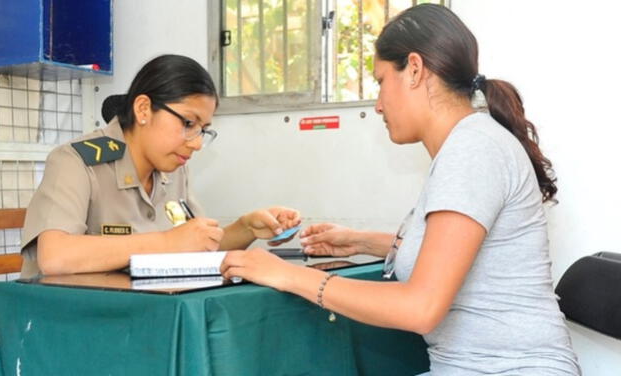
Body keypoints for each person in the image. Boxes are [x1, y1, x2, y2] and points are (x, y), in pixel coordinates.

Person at [220, 4, 580, 375]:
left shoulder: (472, 150)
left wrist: (289, 275)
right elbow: (457, 251)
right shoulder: (471, 142)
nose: (377, 105)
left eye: (379, 81)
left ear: (414, 69)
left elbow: (420, 308)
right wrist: (362, 241)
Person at [21, 54, 300, 278]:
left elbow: (195, 244)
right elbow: (55, 256)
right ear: (143, 109)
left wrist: (246, 228)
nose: (197, 143)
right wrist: (167, 242)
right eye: (188, 123)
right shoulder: (76, 162)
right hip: (69, 325)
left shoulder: (174, 168)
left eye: (203, 129)